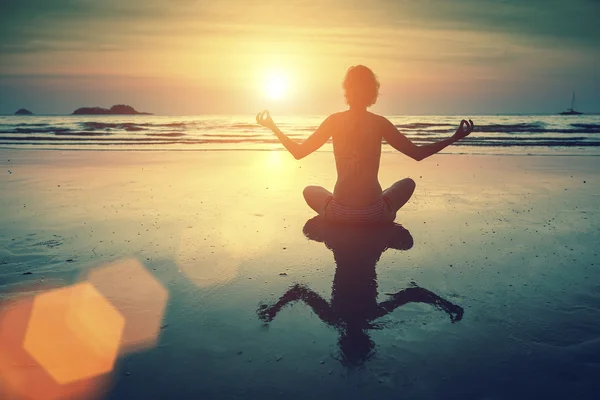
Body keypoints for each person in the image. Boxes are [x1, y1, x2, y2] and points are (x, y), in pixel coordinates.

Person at [256, 65, 474, 224]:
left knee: (310, 190)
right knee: (407, 184)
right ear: (373, 92)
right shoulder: (379, 123)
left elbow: (298, 152)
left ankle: (334, 206)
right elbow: (417, 154)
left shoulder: (334, 121)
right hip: (375, 215)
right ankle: (382, 205)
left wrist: (273, 126)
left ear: (347, 91)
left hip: (340, 214)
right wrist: (454, 137)